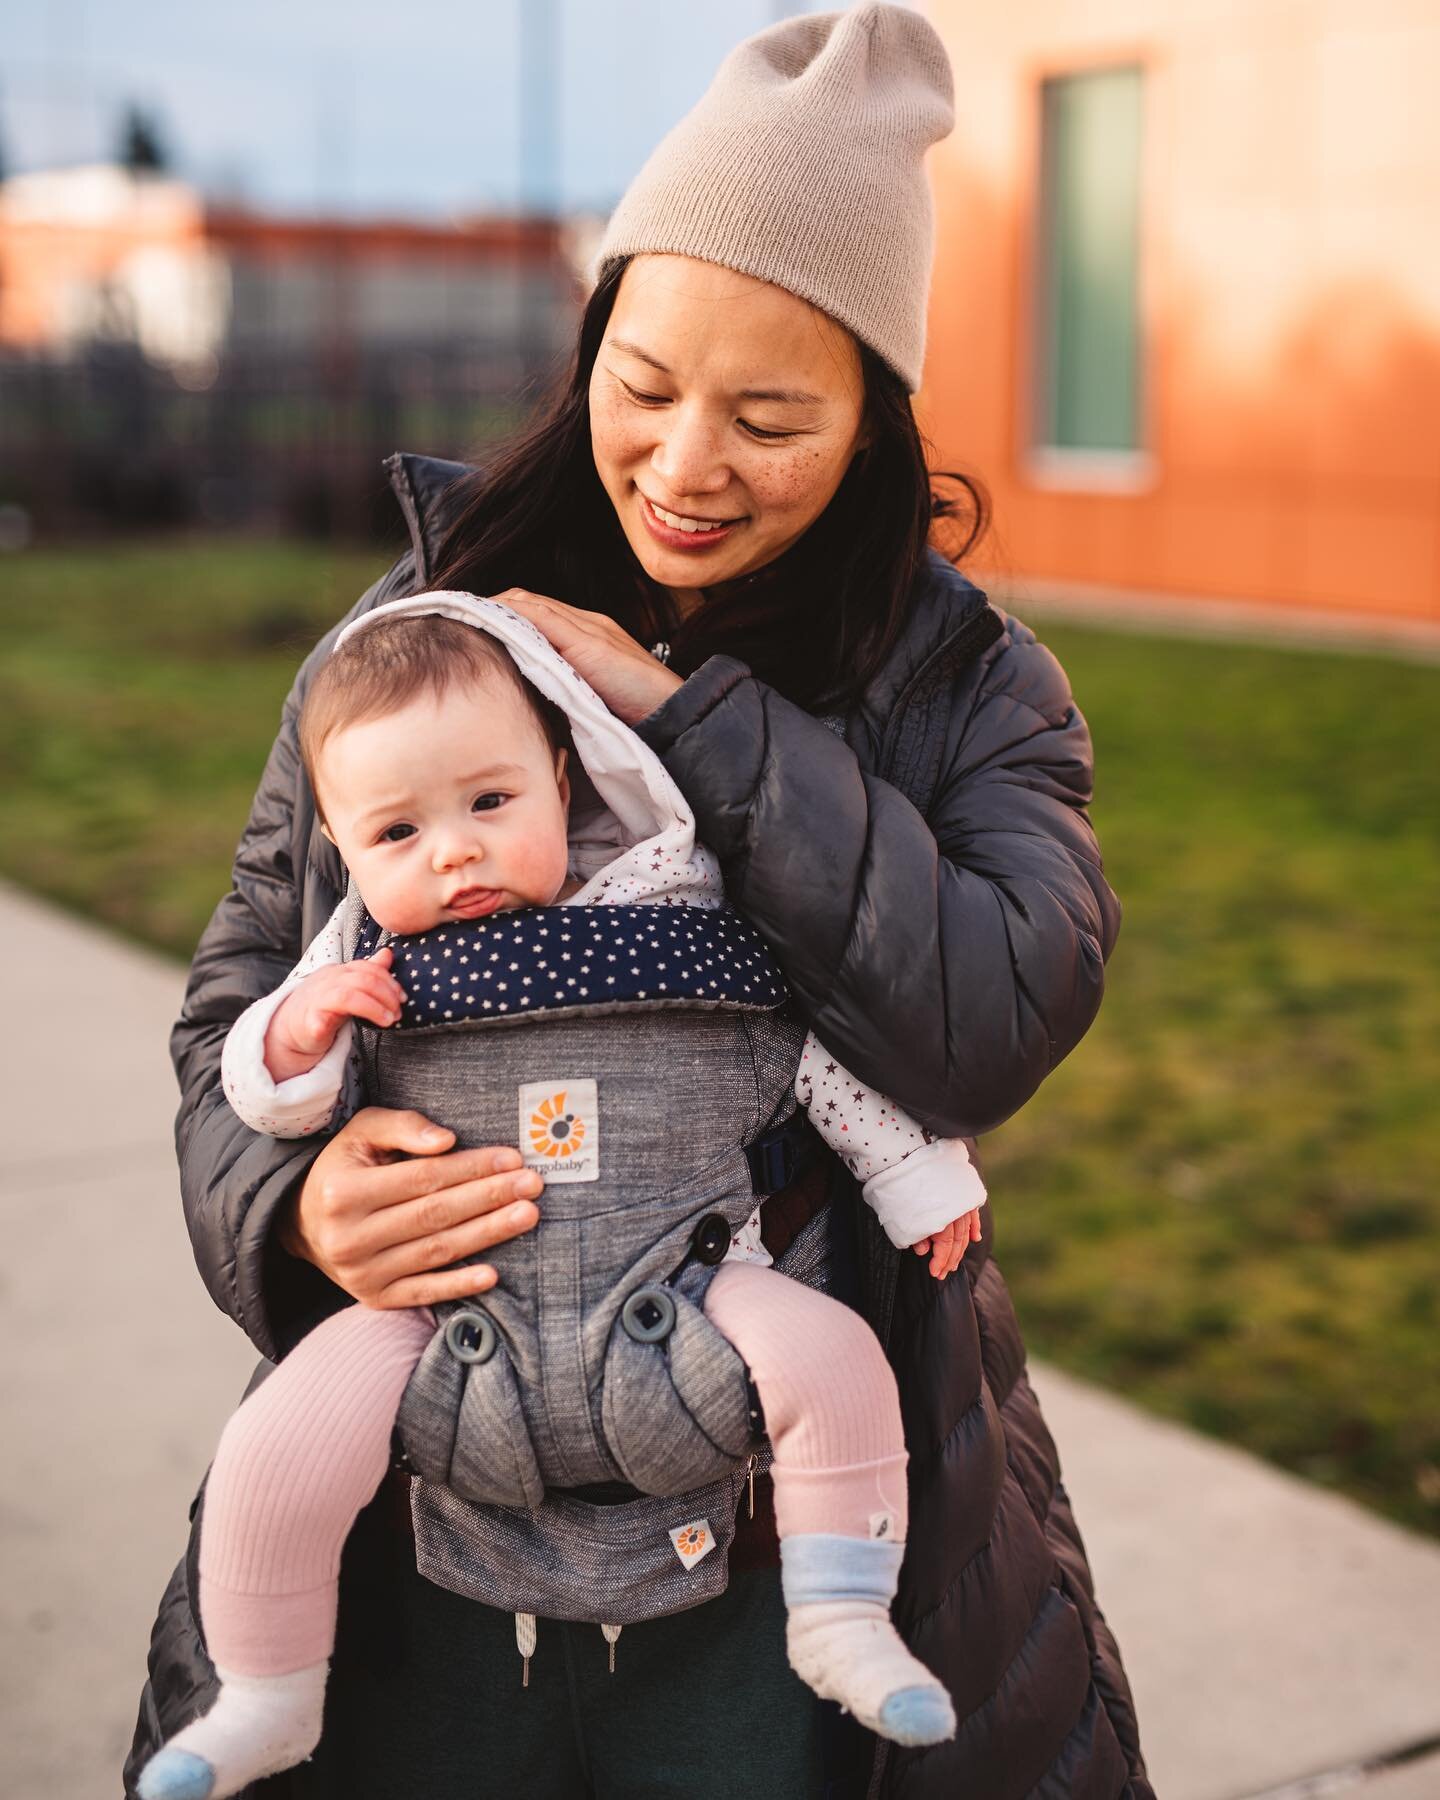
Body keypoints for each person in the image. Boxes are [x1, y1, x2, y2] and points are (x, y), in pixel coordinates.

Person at [127, 7, 1151, 1795]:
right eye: (645, 384)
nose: (685, 466)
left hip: (794, 1536)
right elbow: (238, 997)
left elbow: (988, 1018)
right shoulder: (433, 629)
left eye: (769, 416)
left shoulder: (967, 686)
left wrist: (702, 729)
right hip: (419, 1512)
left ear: (874, 423)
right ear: (588, 340)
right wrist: (294, 1206)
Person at [136, 597, 987, 1799]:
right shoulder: (357, 963)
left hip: (690, 1274)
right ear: (339, 840)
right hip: (443, 1302)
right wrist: (293, 1040)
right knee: (275, 1444)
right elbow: (261, 1100)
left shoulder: (680, 919)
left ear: (565, 774)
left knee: (834, 1360)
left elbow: (808, 1062)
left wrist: (919, 1177)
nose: (454, 853)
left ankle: (841, 1613)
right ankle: (266, 1691)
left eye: (491, 804)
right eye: (397, 832)